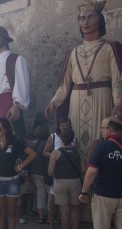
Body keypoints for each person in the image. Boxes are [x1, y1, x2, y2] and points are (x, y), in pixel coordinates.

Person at [44, 0, 122, 156]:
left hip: (102, 97)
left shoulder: (109, 47)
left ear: (99, 19)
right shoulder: (72, 51)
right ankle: (79, 174)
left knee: (99, 140)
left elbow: (118, 79)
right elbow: (65, 85)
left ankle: (98, 175)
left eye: (90, 17)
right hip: (77, 100)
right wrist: (54, 102)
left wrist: (119, 103)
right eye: (82, 18)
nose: (85, 22)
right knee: (77, 141)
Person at [79, 117, 122, 229]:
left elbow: (91, 172)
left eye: (102, 127)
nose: (100, 130)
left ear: (110, 130)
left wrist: (84, 192)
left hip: (103, 196)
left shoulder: (102, 147)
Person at [48, 128, 86, 229]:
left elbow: (50, 172)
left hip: (60, 182)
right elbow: (84, 170)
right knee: (75, 210)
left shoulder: (56, 153)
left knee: (64, 211)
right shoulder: (77, 151)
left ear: (61, 138)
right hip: (75, 182)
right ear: (72, 138)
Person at [43, 117, 78, 229]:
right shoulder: (53, 137)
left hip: (70, 173)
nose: (64, 126)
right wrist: (56, 156)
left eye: (67, 124)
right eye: (62, 124)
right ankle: (51, 220)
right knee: (53, 197)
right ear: (59, 126)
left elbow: (76, 153)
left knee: (69, 200)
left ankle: (68, 224)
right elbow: (45, 152)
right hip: (57, 171)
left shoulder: (74, 139)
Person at [29, 125, 50, 224]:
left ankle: (41, 217)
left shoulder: (31, 143)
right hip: (45, 171)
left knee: (40, 194)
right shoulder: (46, 143)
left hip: (34, 171)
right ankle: (50, 217)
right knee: (50, 194)